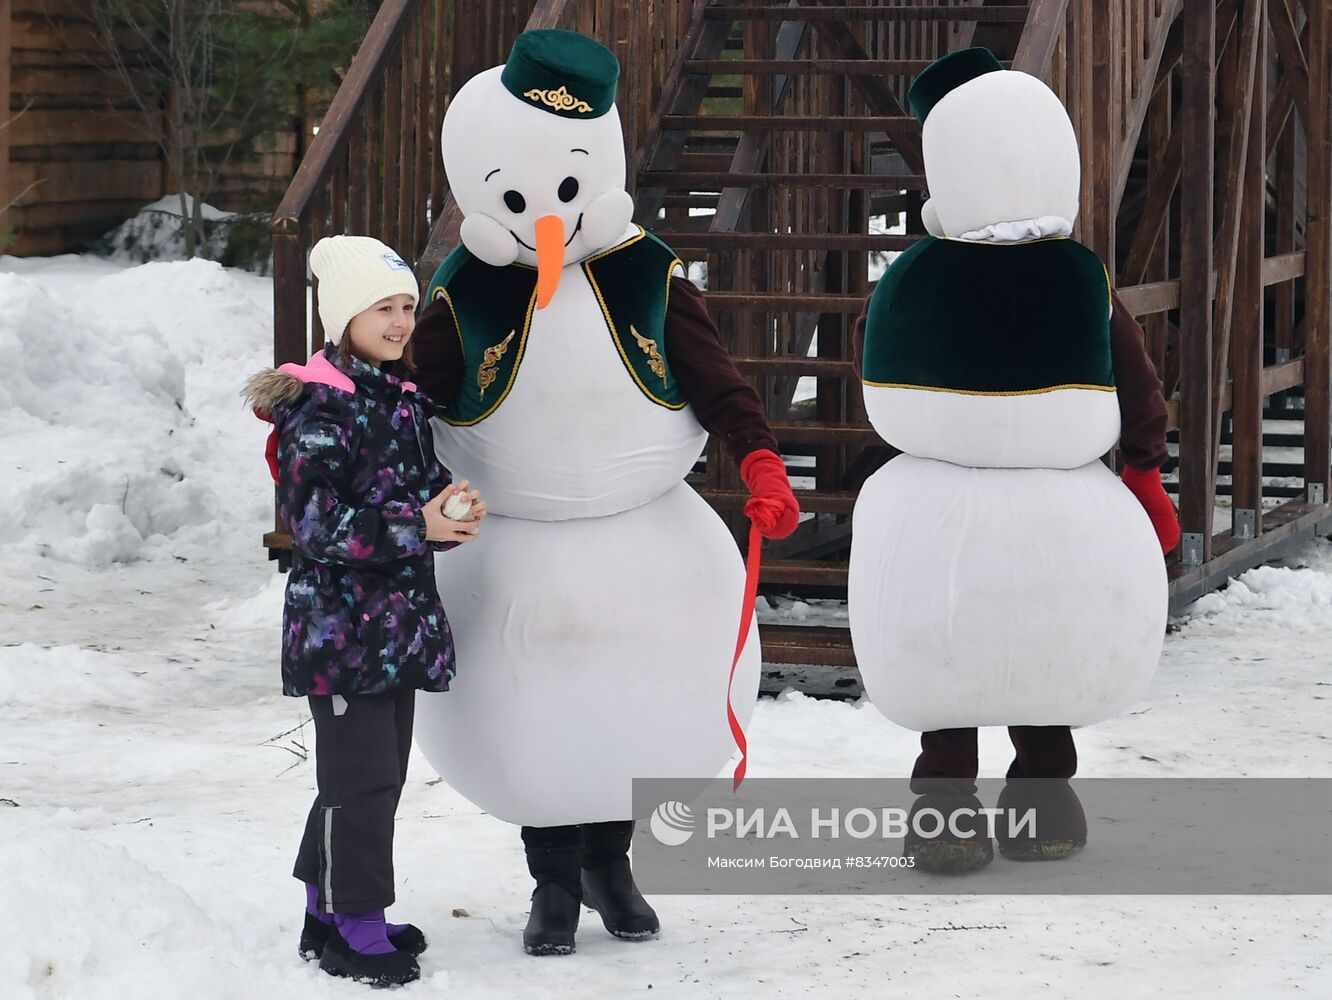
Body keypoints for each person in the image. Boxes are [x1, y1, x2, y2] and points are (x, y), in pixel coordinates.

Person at [244, 235, 486, 985]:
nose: (400, 322)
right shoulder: (321, 407)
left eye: (407, 307)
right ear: (344, 313)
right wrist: (421, 525)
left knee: (371, 778)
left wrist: (449, 504)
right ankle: (356, 927)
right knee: (363, 784)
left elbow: (418, 483)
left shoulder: (397, 397)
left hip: (395, 625)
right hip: (340, 630)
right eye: (383, 308)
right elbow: (315, 527)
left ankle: (326, 910)